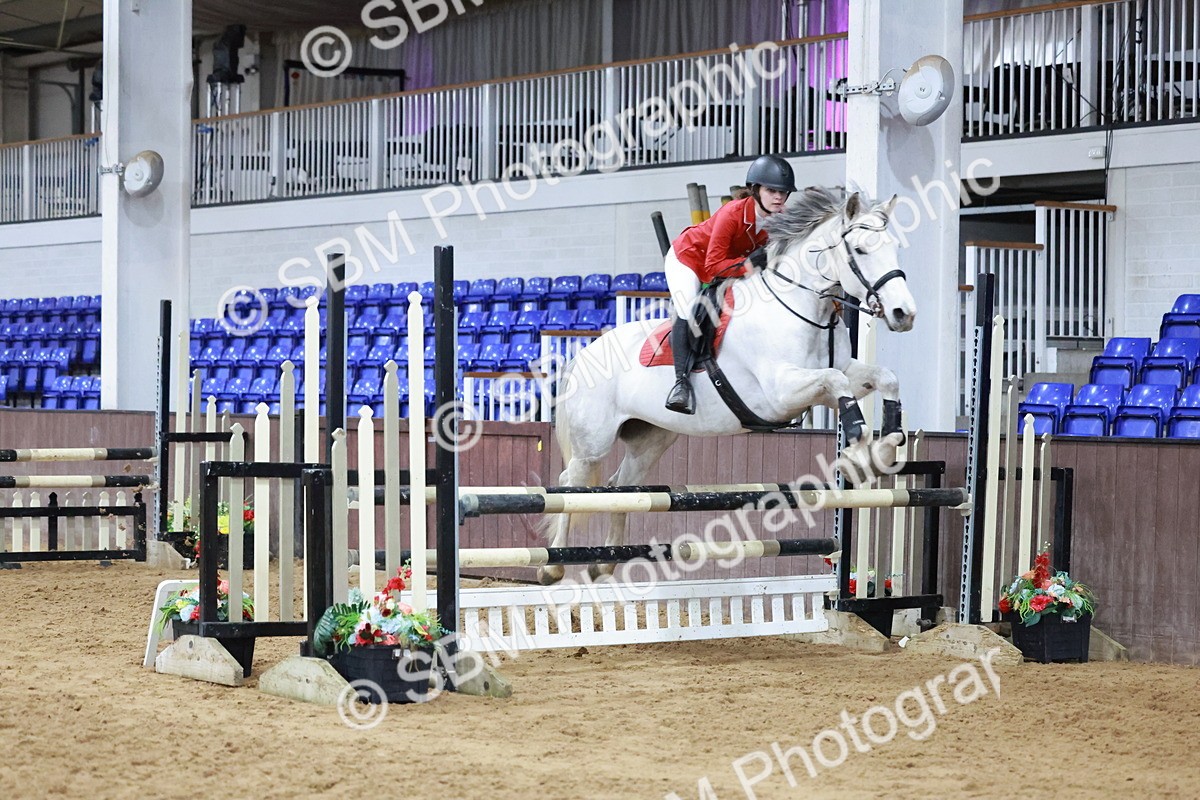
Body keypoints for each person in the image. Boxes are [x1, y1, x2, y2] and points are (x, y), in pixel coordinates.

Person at [662, 155, 797, 414]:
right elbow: (713, 266)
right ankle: (681, 384)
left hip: (729, 268)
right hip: (689, 259)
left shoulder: (781, 220)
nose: (779, 197)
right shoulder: (732, 213)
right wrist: (748, 264)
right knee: (689, 308)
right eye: (772, 191)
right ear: (756, 190)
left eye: (783, 192)